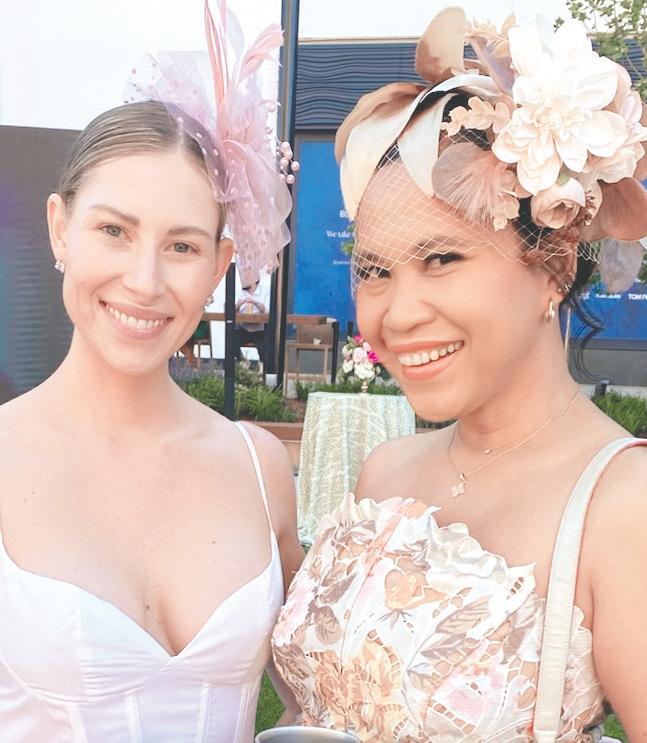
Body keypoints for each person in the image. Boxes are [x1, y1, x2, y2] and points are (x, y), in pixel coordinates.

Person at [272, 9, 647, 741]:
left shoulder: (622, 504)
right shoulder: (385, 472)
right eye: (374, 270)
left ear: (552, 265)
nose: (399, 312)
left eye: (442, 258)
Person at [0, 3, 302, 740]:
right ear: (60, 228)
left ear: (219, 266)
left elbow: (316, 700)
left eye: (182, 246)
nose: (144, 281)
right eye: (114, 230)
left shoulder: (260, 470)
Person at [234, 279, 270, 366]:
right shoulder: (240, 294)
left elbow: (268, 312)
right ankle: (241, 364)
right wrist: (238, 305)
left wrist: (255, 302)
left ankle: (264, 369)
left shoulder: (265, 292)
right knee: (231, 341)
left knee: (265, 348)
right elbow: (231, 313)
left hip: (260, 330)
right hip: (244, 329)